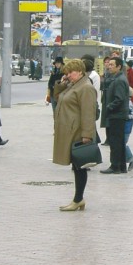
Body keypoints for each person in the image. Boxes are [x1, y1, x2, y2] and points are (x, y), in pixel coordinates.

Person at [53, 59, 98, 211]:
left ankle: (78, 199)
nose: (68, 75)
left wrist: (87, 134)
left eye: (70, 72)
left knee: (80, 166)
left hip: (78, 132)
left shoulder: (85, 88)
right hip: (70, 130)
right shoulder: (73, 85)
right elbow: (58, 97)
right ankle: (78, 199)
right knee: (76, 166)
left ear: (80, 71)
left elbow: (88, 113)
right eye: (66, 73)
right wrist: (62, 83)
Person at [101, 57, 129, 173]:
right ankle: (122, 166)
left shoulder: (119, 80)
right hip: (117, 114)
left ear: (119, 67)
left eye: (112, 65)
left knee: (115, 142)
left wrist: (109, 107)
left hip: (117, 115)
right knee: (119, 141)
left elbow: (119, 99)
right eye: (109, 64)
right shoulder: (115, 78)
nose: (109, 66)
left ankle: (115, 166)